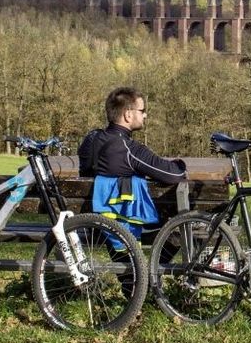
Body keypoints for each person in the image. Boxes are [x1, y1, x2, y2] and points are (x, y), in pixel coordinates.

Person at [78, 87, 186, 242]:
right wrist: (180, 164)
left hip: (90, 223)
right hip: (122, 228)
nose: (145, 115)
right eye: (142, 110)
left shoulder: (90, 139)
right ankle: (154, 266)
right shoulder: (130, 150)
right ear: (128, 114)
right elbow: (173, 174)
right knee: (181, 233)